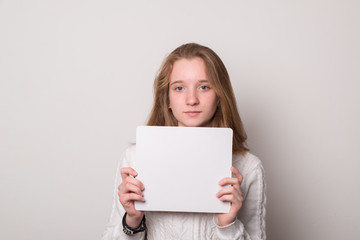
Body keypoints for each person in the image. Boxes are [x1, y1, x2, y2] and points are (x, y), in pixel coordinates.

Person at [102, 43, 266, 239]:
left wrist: (228, 224)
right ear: (168, 99)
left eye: (204, 87)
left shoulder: (249, 167)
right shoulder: (134, 158)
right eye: (179, 88)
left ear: (220, 96)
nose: (191, 99)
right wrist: (132, 220)